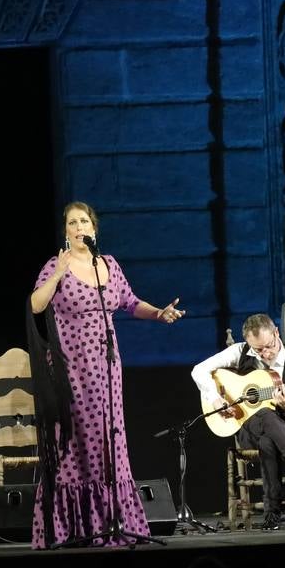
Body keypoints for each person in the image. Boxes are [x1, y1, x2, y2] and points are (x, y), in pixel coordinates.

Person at [27, 202, 186, 548]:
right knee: (75, 443)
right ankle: (73, 527)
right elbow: (36, 305)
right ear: (66, 231)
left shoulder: (108, 265)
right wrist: (58, 274)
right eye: (73, 222)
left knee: (109, 441)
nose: (79, 226)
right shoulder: (57, 265)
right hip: (71, 369)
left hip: (107, 368)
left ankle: (114, 521)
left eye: (84, 220)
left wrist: (159, 313)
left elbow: (130, 302)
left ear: (94, 228)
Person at [190, 313, 285, 529]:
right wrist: (215, 399)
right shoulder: (239, 352)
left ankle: (272, 515)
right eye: (258, 350)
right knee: (264, 416)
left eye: (269, 346)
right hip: (246, 430)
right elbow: (199, 370)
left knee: (269, 440)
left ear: (276, 333)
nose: (265, 353)